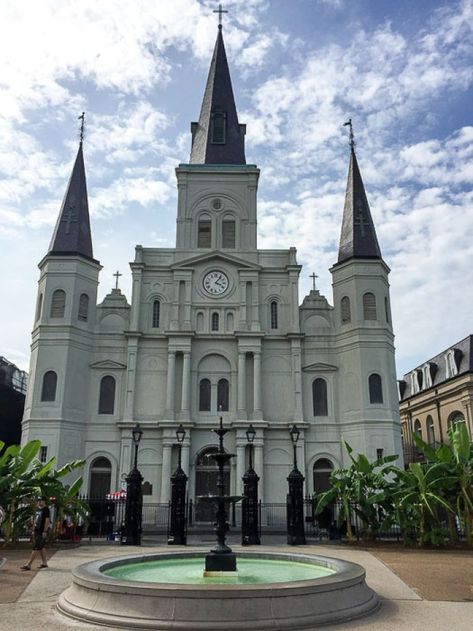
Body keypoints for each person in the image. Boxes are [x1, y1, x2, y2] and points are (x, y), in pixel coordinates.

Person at [20, 497, 50, 570]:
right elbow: (35, 520)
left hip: (41, 531)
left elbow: (47, 521)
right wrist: (33, 530)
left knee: (36, 547)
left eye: (41, 501)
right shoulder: (38, 509)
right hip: (36, 530)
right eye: (39, 501)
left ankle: (29, 564)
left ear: (44, 502)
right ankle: (44, 563)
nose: (40, 502)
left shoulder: (46, 510)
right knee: (41, 547)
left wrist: (45, 531)